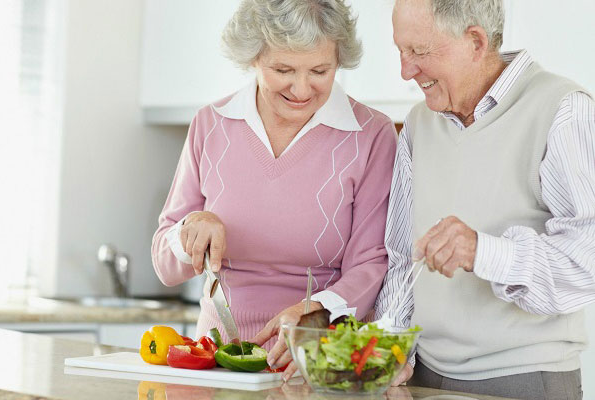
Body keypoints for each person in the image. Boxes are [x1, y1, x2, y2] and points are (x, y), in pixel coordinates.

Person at [151, 0, 398, 381]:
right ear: (253, 58)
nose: (302, 88)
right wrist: (190, 231)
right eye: (283, 69)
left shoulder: (370, 135)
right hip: (216, 360)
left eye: (320, 70)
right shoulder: (211, 125)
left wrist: (314, 312)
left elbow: (371, 263)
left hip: (317, 361)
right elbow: (164, 264)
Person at [374, 0, 595, 399]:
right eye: (400, 51)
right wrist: (388, 352)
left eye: (418, 52)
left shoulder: (563, 109)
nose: (405, 70)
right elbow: (401, 260)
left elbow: (588, 258)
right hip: (421, 374)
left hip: (525, 378)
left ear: (475, 41)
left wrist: (483, 252)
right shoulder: (419, 125)